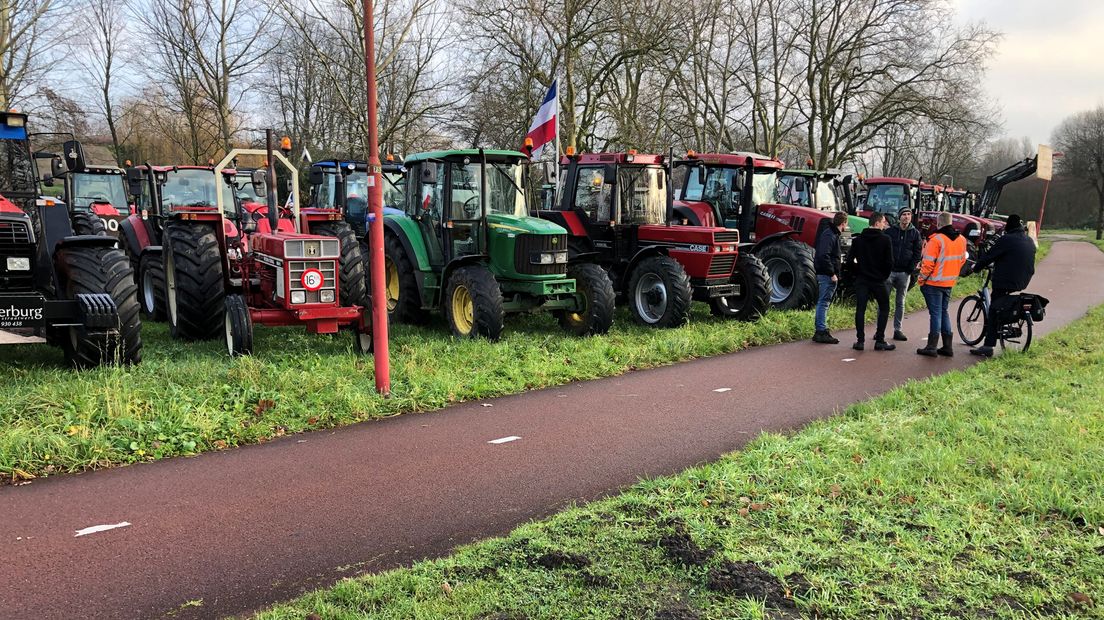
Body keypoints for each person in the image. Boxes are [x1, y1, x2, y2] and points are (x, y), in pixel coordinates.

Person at [970, 214, 1036, 357]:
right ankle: (1006, 321)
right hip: (1024, 279)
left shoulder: (1006, 239)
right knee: (1004, 303)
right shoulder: (1029, 240)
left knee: (994, 309)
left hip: (1006, 280)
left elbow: (989, 256)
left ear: (1008, 226)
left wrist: (976, 267)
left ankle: (988, 346)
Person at [916, 211, 967, 357]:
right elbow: (962, 260)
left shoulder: (936, 240)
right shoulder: (961, 240)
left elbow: (928, 263)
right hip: (949, 282)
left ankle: (932, 347)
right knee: (943, 312)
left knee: (936, 314)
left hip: (933, 282)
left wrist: (921, 279)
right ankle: (947, 346)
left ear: (939, 223)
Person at [846, 212, 895, 351]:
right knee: (884, 307)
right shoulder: (886, 240)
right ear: (877, 223)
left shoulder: (858, 240)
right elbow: (889, 262)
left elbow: (849, 261)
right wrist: (883, 276)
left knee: (860, 309)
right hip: (879, 280)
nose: (885, 225)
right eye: (883, 222)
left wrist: (857, 272)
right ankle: (880, 340)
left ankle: (860, 341)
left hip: (862, 279)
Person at [884, 206, 923, 341]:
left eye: (909, 214)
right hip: (889, 272)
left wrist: (910, 269)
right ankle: (880, 330)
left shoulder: (915, 233)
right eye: (904, 214)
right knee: (884, 301)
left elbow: (918, 252)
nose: (907, 217)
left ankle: (897, 330)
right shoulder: (890, 232)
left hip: (904, 273)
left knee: (900, 301)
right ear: (899, 217)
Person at [812, 211, 849, 344]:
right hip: (827, 274)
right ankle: (821, 331)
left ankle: (821, 329)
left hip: (826, 273)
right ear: (844, 223)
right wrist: (832, 273)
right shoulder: (830, 235)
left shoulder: (830, 233)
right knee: (824, 302)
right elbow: (824, 255)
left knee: (824, 302)